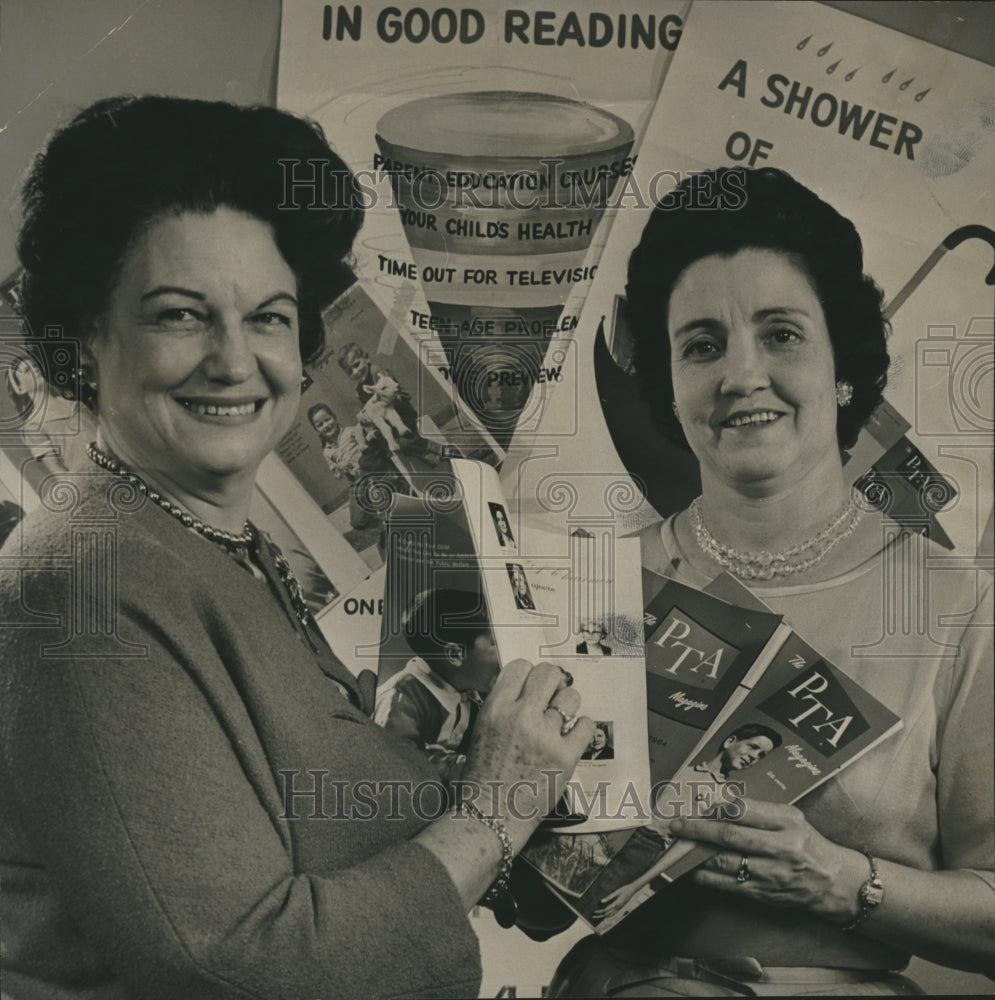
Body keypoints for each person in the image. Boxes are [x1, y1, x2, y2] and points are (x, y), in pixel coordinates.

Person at [0, 95, 595, 1000]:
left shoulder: (208, 539)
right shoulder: (81, 581)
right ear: (86, 335)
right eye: (178, 314)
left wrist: (497, 765)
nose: (235, 361)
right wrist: (493, 811)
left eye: (269, 317)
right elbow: (232, 962)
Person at [549, 167, 994, 995]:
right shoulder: (594, 583)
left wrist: (837, 879)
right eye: (702, 345)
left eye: (780, 334)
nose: (739, 375)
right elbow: (536, 880)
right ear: (669, 385)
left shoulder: (958, 605)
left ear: (845, 369)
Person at [374, 587, 500, 782]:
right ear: (455, 654)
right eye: (496, 643)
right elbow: (392, 762)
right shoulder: (401, 698)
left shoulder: (468, 694)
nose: (505, 652)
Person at [693, 723, 781, 782]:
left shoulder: (725, 799)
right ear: (730, 742)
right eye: (753, 747)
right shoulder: (683, 769)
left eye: (761, 755)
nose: (755, 756)